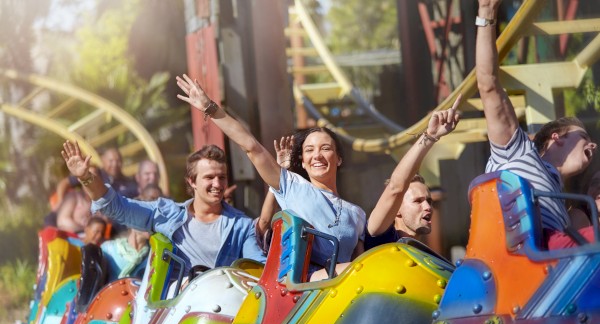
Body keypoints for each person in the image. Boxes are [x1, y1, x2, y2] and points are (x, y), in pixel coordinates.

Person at [176, 75, 365, 280]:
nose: (317, 155)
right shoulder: (293, 186)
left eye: (325, 148)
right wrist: (210, 108)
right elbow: (251, 147)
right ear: (302, 161)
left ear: (338, 159)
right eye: (309, 150)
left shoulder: (357, 214)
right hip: (305, 286)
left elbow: (362, 261)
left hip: (347, 289)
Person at [476, 0, 597, 249]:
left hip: (548, 270)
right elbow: (488, 84)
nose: (593, 144)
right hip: (522, 261)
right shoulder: (520, 153)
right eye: (583, 136)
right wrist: (487, 12)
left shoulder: (561, 205)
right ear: (556, 137)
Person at [61, 142, 266, 272]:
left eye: (222, 177)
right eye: (209, 177)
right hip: (175, 318)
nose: (217, 184)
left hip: (220, 318)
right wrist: (86, 178)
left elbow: (259, 268)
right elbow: (116, 206)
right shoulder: (166, 214)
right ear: (192, 182)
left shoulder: (241, 226)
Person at [365, 95, 461, 250]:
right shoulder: (381, 237)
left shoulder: (425, 256)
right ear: (395, 211)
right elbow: (396, 187)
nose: (428, 207)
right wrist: (430, 136)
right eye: (417, 201)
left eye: (429, 201)